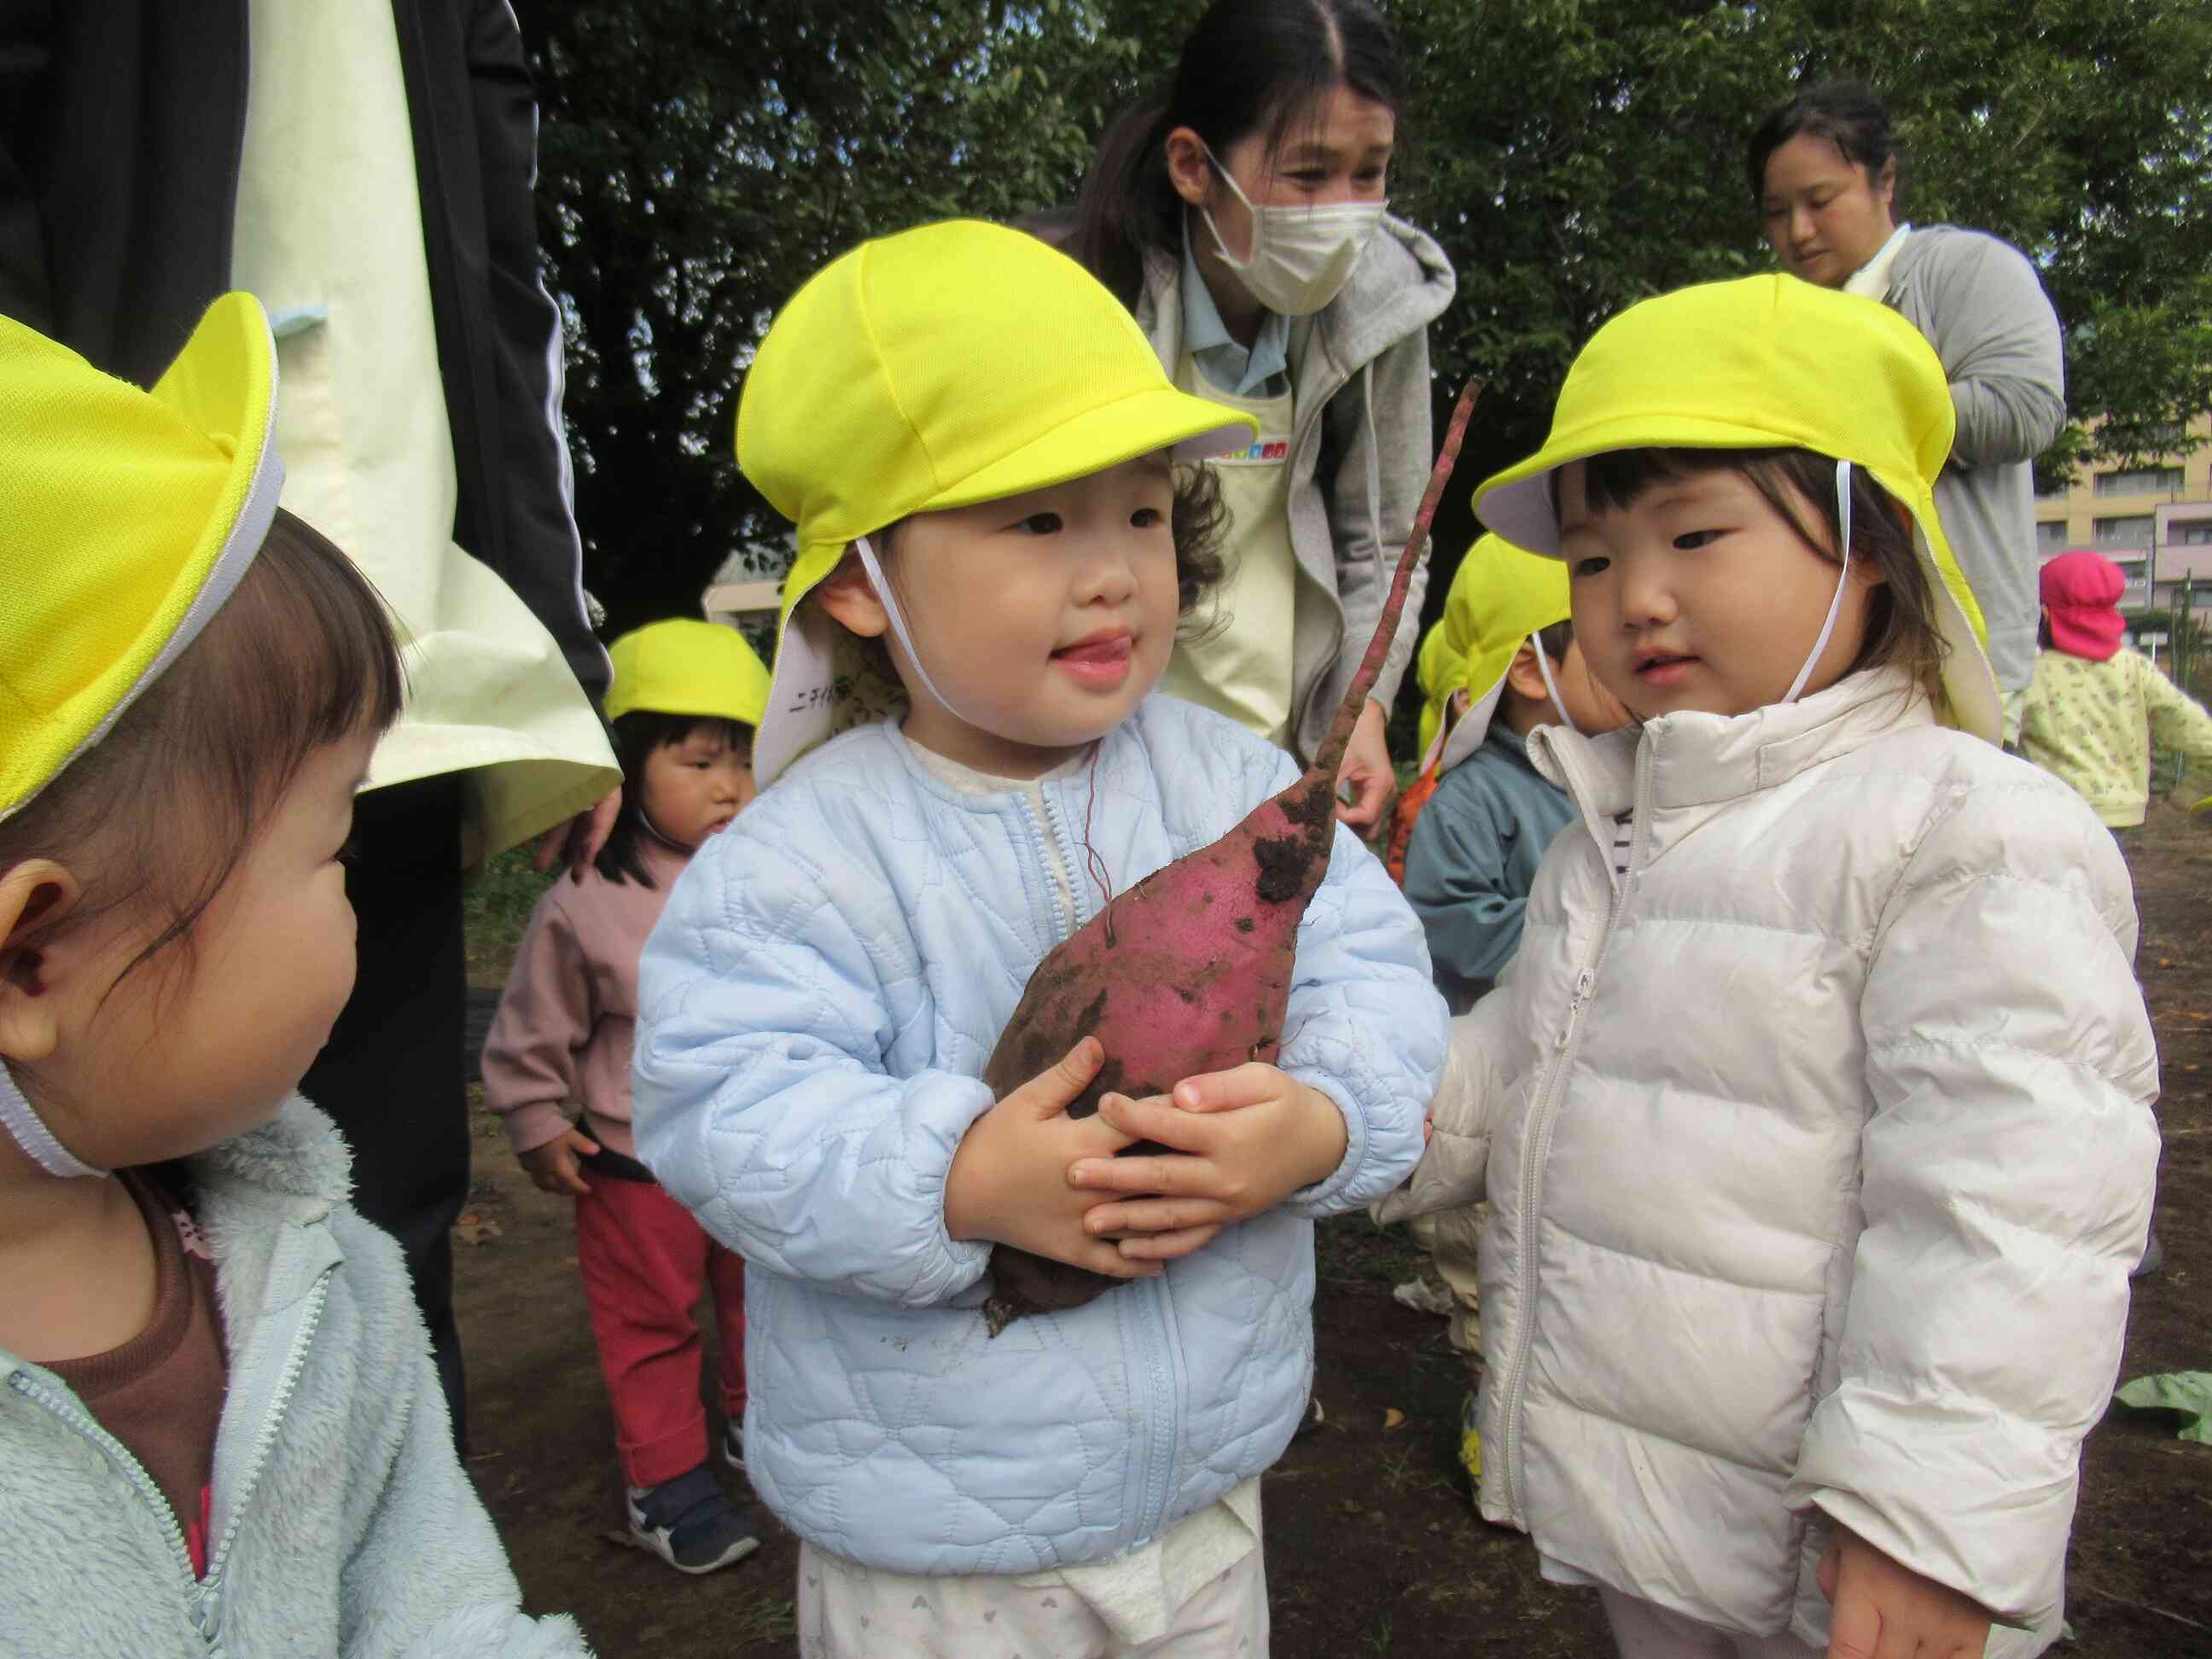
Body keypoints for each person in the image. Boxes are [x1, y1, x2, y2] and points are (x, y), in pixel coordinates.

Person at [632, 219, 1445, 1656]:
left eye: (1139, 512)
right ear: (853, 585)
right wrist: (953, 1177)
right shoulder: (801, 859)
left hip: (1203, 1495)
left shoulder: (1236, 780)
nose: (1114, 573)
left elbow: (1368, 977)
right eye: (1036, 522)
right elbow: (722, 1109)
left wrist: (1318, 1123)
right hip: (938, 1552)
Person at [1379, 276, 2160, 1658]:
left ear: (1868, 542)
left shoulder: (1961, 829)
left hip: (1851, 1549)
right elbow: (1502, 1073)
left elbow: (2008, 1210)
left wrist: (1925, 1511)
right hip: (1657, 1509)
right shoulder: (1609, 823)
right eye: (1595, 556)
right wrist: (1331, 1120)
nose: (1638, 597)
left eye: (1692, 533)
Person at [0, 0, 624, 1443]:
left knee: (380, 1230)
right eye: (320, 854)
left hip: (402, 605)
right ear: (30, 945)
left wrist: (555, 645)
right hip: (103, 642)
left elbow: (507, 285)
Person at [0, 297, 589, 1654]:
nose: (361, 897)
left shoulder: (320, 1280)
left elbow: (440, 1614)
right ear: (35, 956)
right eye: (333, 843)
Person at [1059, 0, 1455, 830]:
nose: (1343, 211)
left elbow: (1382, 538)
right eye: (1308, 175)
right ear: (1194, 166)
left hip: (1278, 748)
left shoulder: (1383, 302)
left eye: (1370, 172)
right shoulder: (1086, 298)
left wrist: (1364, 710)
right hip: (1100, 747)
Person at [482, 619, 771, 1576]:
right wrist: (534, 1119)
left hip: (752, 1146)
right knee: (649, 1322)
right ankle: (666, 1483)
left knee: (761, 1301)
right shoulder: (586, 900)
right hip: (636, 1165)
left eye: (745, 760)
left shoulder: (775, 876)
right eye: (698, 763)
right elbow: (534, 1026)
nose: (730, 786)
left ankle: (754, 1429)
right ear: (628, 765)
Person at [1749, 80, 2064, 747]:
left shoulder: (1966, 270)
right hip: (1827, 660)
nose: (1798, 232)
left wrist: (1846, 402)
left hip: (1956, 653)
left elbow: (2025, 409)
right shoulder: (1779, 319)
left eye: (1820, 201)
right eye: (1778, 212)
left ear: (1883, 180)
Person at [1387, 534, 1627, 1411]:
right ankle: (1489, 1385)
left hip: (1570, 1047)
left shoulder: (1607, 775)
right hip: (1489, 1058)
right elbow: (1445, 911)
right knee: (1482, 1215)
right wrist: (1565, 949)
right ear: (1532, 668)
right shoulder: (1477, 796)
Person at [1401, 533, 1629, 1013]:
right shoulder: (1471, 800)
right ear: (1529, 672)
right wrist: (1605, 930)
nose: (1634, 664)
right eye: (1610, 642)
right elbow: (1449, 923)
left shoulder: (1641, 773)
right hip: (1509, 1042)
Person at [2020, 550, 2212, 830]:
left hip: (2053, 816)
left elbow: (1990, 737)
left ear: (2045, 614)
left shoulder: (2032, 674)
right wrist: (2187, 794)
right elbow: (2200, 735)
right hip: (2119, 816)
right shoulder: (2135, 669)